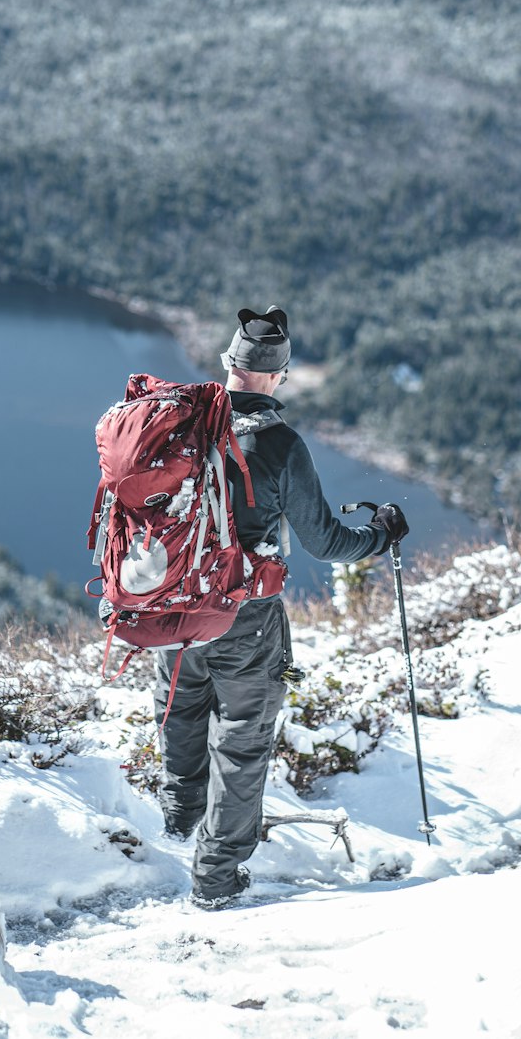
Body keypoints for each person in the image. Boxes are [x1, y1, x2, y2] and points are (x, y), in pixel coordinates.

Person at [153, 305, 409, 908]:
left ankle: (177, 819)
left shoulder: (180, 423)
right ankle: (215, 877)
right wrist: (382, 535)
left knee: (183, 711)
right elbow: (326, 541)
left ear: (228, 366)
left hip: (173, 610)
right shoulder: (281, 445)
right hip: (245, 616)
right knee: (241, 739)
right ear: (279, 375)